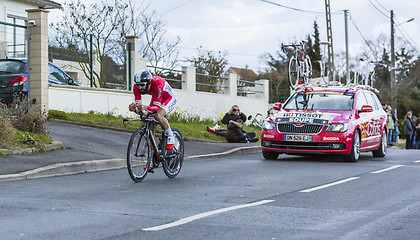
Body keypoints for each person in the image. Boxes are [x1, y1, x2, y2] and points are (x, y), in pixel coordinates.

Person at [128, 70, 177, 150]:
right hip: (156, 96)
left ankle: (170, 135)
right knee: (150, 124)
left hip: (169, 98)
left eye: (142, 85)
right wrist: (135, 109)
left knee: (157, 115)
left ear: (149, 83)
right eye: (138, 85)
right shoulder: (136, 88)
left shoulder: (158, 84)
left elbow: (156, 109)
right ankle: (153, 153)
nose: (139, 88)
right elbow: (140, 110)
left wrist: (145, 107)